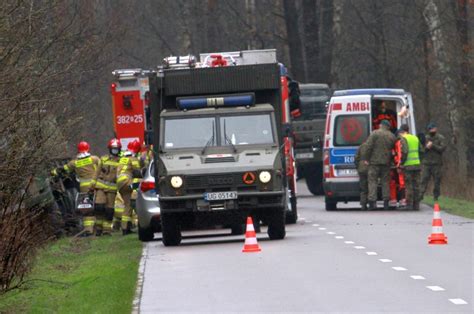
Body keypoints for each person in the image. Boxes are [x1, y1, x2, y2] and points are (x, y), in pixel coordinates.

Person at [53, 141, 101, 236]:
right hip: (97, 185)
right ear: (88, 148)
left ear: (78, 150)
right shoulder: (94, 159)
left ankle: (88, 230)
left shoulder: (74, 162)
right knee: (99, 205)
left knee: (87, 207)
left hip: (84, 187)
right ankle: (101, 227)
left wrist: (54, 172)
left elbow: (63, 169)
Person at [365, 119, 396, 210]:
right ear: (388, 127)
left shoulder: (374, 133)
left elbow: (368, 146)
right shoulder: (392, 136)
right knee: (385, 182)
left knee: (372, 182)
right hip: (386, 163)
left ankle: (372, 203)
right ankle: (386, 202)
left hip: (374, 163)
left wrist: (366, 158)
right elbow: (395, 149)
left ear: (381, 125)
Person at [95, 138, 121, 235]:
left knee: (109, 210)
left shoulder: (121, 161)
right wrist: (92, 186)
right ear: (109, 149)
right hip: (100, 187)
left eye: (117, 149)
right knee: (99, 207)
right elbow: (96, 173)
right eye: (113, 148)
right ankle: (98, 229)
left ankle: (106, 230)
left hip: (112, 190)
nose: (115, 151)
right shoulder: (103, 159)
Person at [117, 140, 143, 235]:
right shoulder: (133, 158)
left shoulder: (122, 158)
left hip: (120, 184)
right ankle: (135, 199)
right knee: (143, 182)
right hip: (127, 181)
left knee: (127, 205)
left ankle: (125, 229)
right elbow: (138, 173)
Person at [398, 124, 422, 210]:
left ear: (403, 131)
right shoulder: (415, 138)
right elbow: (421, 151)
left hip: (408, 166)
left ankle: (409, 205)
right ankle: (416, 205)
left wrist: (401, 163)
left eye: (400, 132)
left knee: (409, 185)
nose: (400, 134)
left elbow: (404, 152)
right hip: (417, 165)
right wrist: (419, 161)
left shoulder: (404, 139)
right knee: (416, 185)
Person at [420, 122, 446, 201]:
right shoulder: (425, 138)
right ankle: (420, 195)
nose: (431, 130)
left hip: (436, 163)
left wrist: (433, 145)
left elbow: (442, 149)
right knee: (423, 180)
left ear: (436, 129)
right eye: (430, 129)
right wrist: (427, 147)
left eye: (433, 128)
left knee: (437, 181)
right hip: (426, 163)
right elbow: (421, 150)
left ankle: (436, 197)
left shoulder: (440, 138)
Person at [392, 131, 407, 207]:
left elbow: (397, 154)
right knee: (401, 182)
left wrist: (398, 165)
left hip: (398, 164)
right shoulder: (400, 142)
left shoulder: (397, 143)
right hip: (401, 164)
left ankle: (401, 199)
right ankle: (402, 199)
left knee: (400, 182)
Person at [355, 139, 369, 210]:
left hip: (361, 168)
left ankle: (363, 205)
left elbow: (356, 158)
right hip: (370, 168)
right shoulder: (371, 146)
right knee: (371, 186)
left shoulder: (361, 146)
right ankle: (372, 203)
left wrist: (358, 166)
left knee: (363, 188)